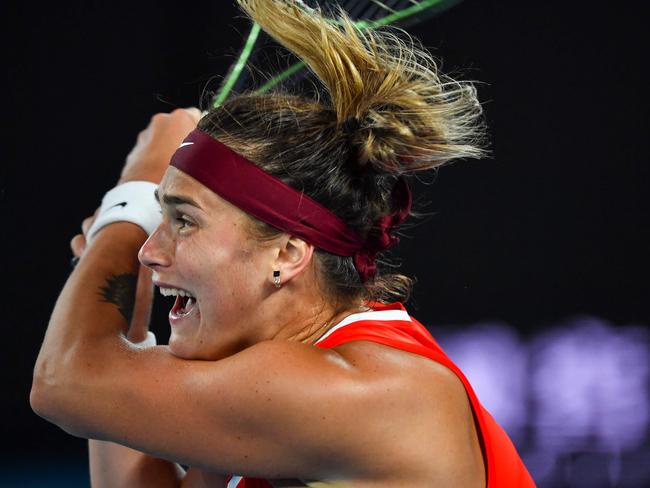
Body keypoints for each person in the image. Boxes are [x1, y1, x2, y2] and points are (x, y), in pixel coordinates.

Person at [31, 1, 535, 486]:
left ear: (288, 253)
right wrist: (131, 305)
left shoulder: (352, 389)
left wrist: (133, 196)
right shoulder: (283, 380)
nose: (150, 250)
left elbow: (66, 384)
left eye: (183, 220)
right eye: (161, 219)